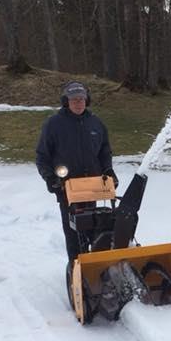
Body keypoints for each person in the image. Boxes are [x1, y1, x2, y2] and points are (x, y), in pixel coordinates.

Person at [35, 80, 119, 261]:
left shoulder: (96, 123)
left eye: (81, 99)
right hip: (67, 188)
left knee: (96, 227)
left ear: (87, 100)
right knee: (73, 231)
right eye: (74, 100)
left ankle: (96, 264)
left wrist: (108, 170)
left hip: (93, 187)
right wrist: (51, 179)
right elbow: (42, 156)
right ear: (66, 101)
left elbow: (105, 151)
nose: (78, 103)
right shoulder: (54, 124)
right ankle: (76, 268)